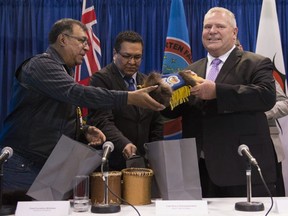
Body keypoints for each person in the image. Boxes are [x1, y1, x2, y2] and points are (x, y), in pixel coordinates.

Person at [0, 18, 165, 202]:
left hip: (51, 166)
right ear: (62, 39)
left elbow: (58, 115)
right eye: (82, 41)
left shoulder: (64, 72)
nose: (87, 47)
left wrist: (84, 130)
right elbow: (75, 93)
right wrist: (129, 97)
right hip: (25, 163)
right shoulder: (41, 65)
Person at [162, 7, 277, 197]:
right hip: (199, 171)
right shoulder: (190, 70)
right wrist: (161, 101)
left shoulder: (256, 63)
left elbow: (266, 97)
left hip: (240, 168)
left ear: (234, 33)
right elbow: (176, 110)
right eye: (207, 27)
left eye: (219, 26)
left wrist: (217, 92)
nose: (212, 31)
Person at [87, 31, 163, 171]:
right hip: (112, 162)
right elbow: (102, 120)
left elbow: (156, 124)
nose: (132, 62)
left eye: (137, 57)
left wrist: (155, 156)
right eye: (127, 56)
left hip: (143, 165)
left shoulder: (146, 81)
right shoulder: (101, 79)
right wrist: (124, 145)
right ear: (115, 54)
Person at [236, 38, 288, 196]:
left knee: (270, 194)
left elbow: (284, 103)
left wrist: (259, 114)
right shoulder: (214, 74)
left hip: (266, 142)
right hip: (227, 147)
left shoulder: (259, 70)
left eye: (236, 47)